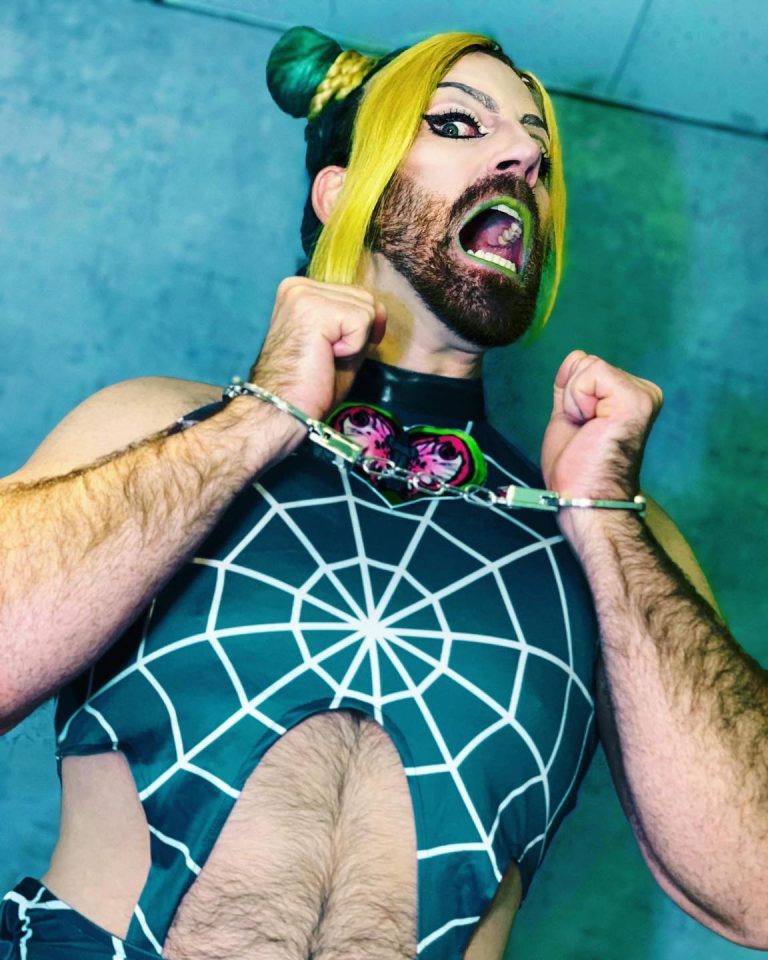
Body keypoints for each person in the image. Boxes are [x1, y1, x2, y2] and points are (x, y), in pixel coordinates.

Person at [0, 24, 766, 960]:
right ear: (338, 192)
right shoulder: (157, 424)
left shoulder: (609, 532)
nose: (526, 159)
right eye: (458, 124)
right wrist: (257, 418)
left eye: (537, 150)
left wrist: (606, 519)